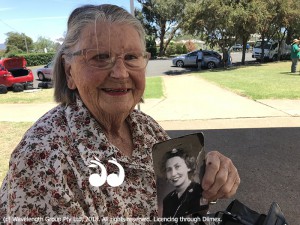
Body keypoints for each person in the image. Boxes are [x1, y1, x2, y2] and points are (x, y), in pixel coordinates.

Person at [0, 4, 240, 224]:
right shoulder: (43, 159)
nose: (120, 73)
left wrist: (209, 182)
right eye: (100, 57)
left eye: (131, 57)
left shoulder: (147, 129)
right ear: (69, 71)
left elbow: (178, 207)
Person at [161, 148, 207, 224]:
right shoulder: (167, 199)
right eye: (169, 169)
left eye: (177, 167)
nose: (173, 174)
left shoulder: (199, 191)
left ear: (188, 166)